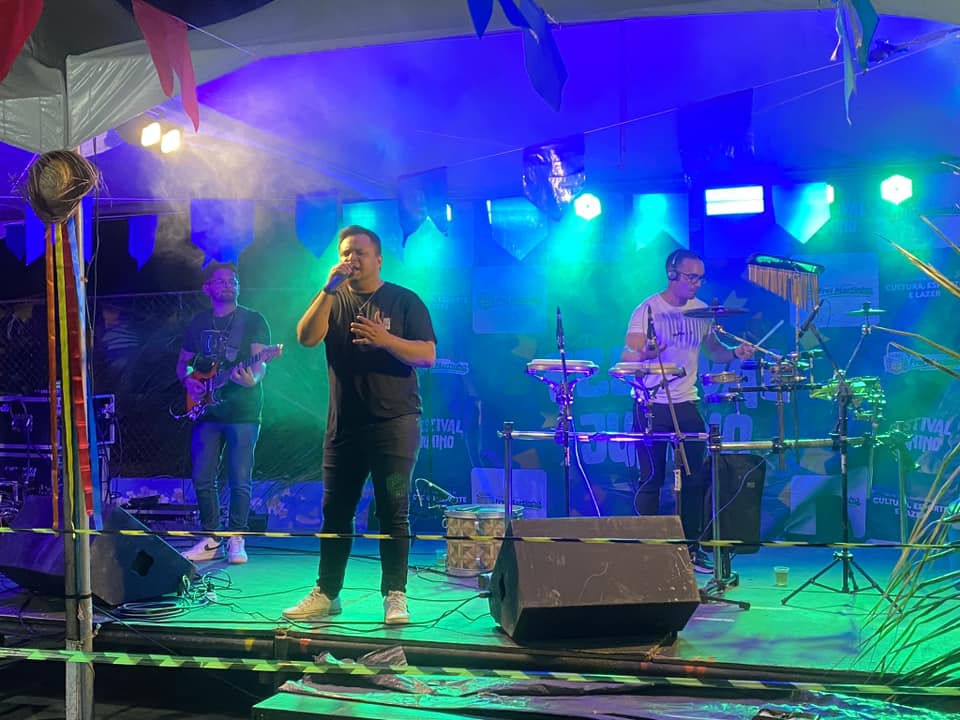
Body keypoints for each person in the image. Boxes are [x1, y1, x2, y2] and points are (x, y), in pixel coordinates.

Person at [286, 225, 436, 625]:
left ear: (378, 259)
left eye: (360, 253)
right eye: (346, 253)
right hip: (344, 428)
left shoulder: (404, 300)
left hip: (395, 425)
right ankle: (327, 593)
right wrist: (327, 289)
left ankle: (395, 594)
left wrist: (386, 340)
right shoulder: (332, 299)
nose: (352, 259)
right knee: (335, 511)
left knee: (394, 509)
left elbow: (427, 355)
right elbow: (305, 337)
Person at [622, 249, 755, 573]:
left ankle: (691, 549)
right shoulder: (648, 309)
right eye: (690, 277)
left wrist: (736, 353)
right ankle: (647, 550)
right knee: (651, 478)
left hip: (686, 403)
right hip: (651, 403)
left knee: (695, 479)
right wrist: (645, 353)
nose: (696, 283)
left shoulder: (701, 311)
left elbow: (715, 352)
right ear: (672, 274)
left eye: (700, 278)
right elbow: (627, 357)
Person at [176, 262, 271, 565]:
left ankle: (237, 538)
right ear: (207, 288)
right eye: (221, 281)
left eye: (233, 280)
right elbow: (184, 364)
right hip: (206, 412)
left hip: (243, 412)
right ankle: (211, 538)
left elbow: (260, 361)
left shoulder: (252, 320)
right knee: (202, 477)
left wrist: (253, 378)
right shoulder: (198, 322)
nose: (229, 284)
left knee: (239, 477)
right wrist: (189, 381)